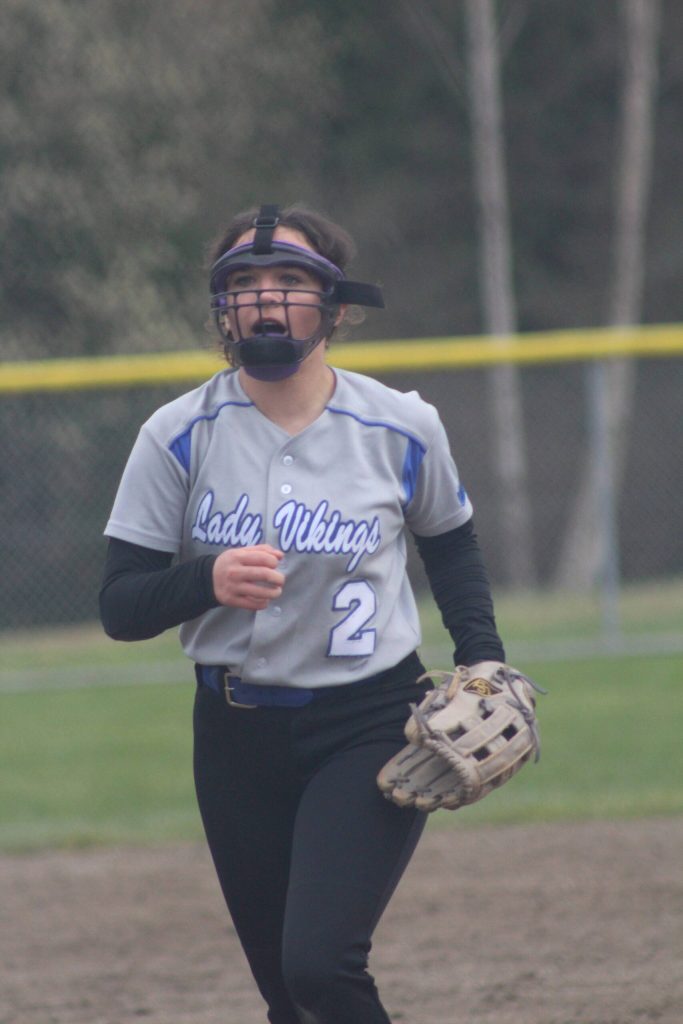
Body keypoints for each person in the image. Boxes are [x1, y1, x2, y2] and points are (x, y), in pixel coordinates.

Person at [99, 202, 506, 1024]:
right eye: (244, 282)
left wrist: (483, 658)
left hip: (368, 721)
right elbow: (120, 606)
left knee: (319, 968)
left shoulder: (400, 425)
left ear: (335, 304)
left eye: (289, 278)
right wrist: (206, 579)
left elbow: (450, 546)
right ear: (222, 308)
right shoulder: (176, 434)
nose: (265, 298)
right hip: (233, 735)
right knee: (288, 999)